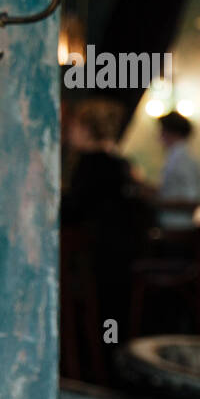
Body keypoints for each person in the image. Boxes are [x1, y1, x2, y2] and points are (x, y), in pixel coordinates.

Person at [61, 98, 151, 335]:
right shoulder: (119, 163)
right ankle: (110, 357)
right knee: (115, 311)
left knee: (100, 309)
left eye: (73, 127)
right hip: (125, 249)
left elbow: (73, 209)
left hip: (101, 253)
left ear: (87, 130)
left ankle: (96, 360)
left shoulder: (91, 164)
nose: (69, 132)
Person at [155, 110, 200, 230]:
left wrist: (157, 202)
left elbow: (192, 199)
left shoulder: (183, 159)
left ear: (173, 133)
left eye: (162, 131)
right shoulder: (175, 157)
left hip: (178, 228)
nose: (159, 136)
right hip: (173, 226)